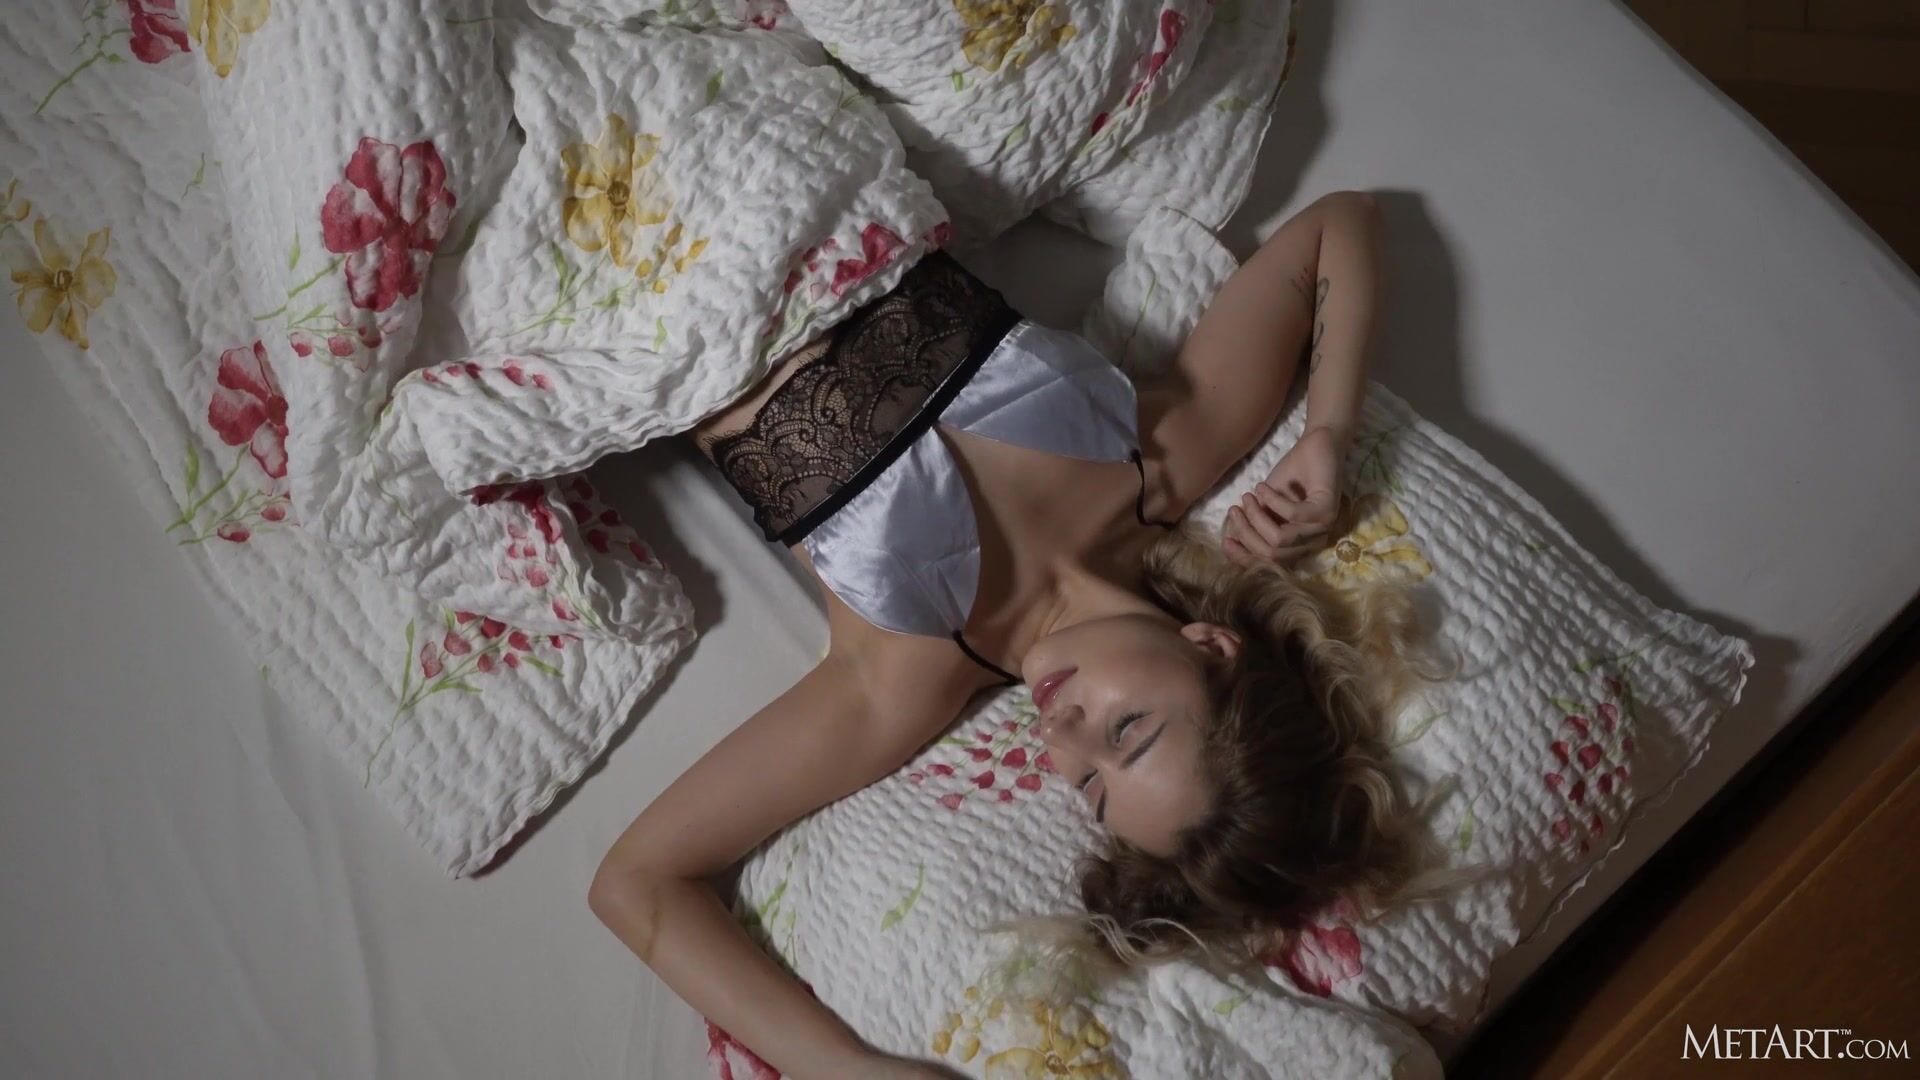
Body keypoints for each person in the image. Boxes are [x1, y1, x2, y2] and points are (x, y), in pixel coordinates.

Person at [588, 190, 1458, 1079]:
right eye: (1128, 729)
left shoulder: (906, 674)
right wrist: (1326, 434)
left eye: (1088, 784)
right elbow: (1340, 227)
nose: (1066, 733)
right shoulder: (1165, 454)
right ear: (1211, 647)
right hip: (800, 178)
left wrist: (845, 1069)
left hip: (639, 272)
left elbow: (638, 883)